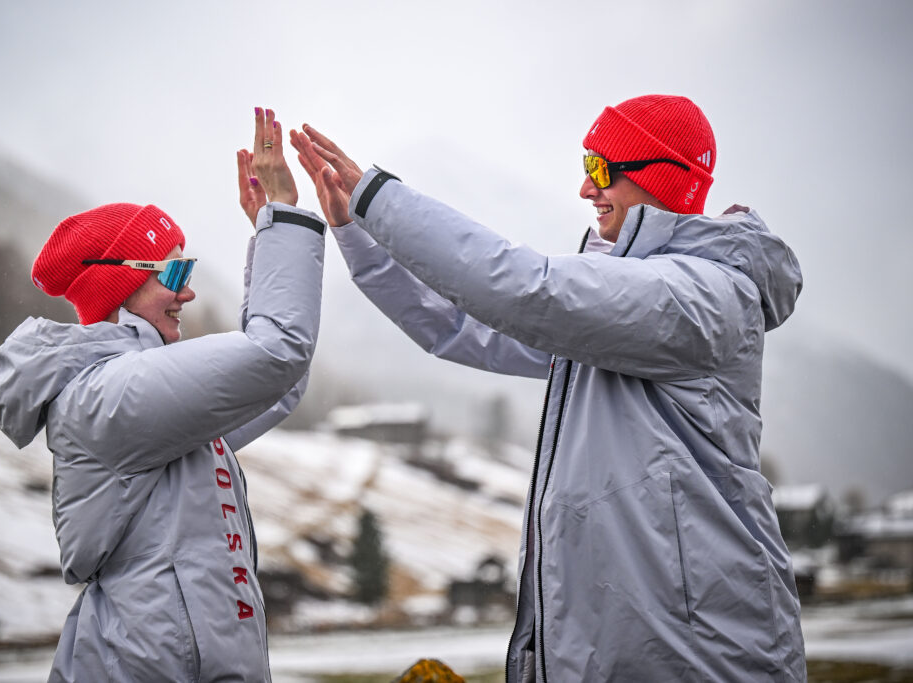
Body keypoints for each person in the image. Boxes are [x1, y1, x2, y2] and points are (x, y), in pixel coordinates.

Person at [290, 94, 806, 681]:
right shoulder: (625, 311)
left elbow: (527, 291)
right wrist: (353, 229)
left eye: (599, 169)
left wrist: (376, 197)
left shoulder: (699, 296)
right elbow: (461, 324)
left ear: (657, 178)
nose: (586, 190)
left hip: (701, 661)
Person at [0, 108, 326, 682]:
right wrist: (283, 219)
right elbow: (276, 354)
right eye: (172, 272)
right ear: (117, 283)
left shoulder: (144, 391)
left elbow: (277, 383)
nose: (188, 291)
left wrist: (268, 234)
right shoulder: (113, 394)